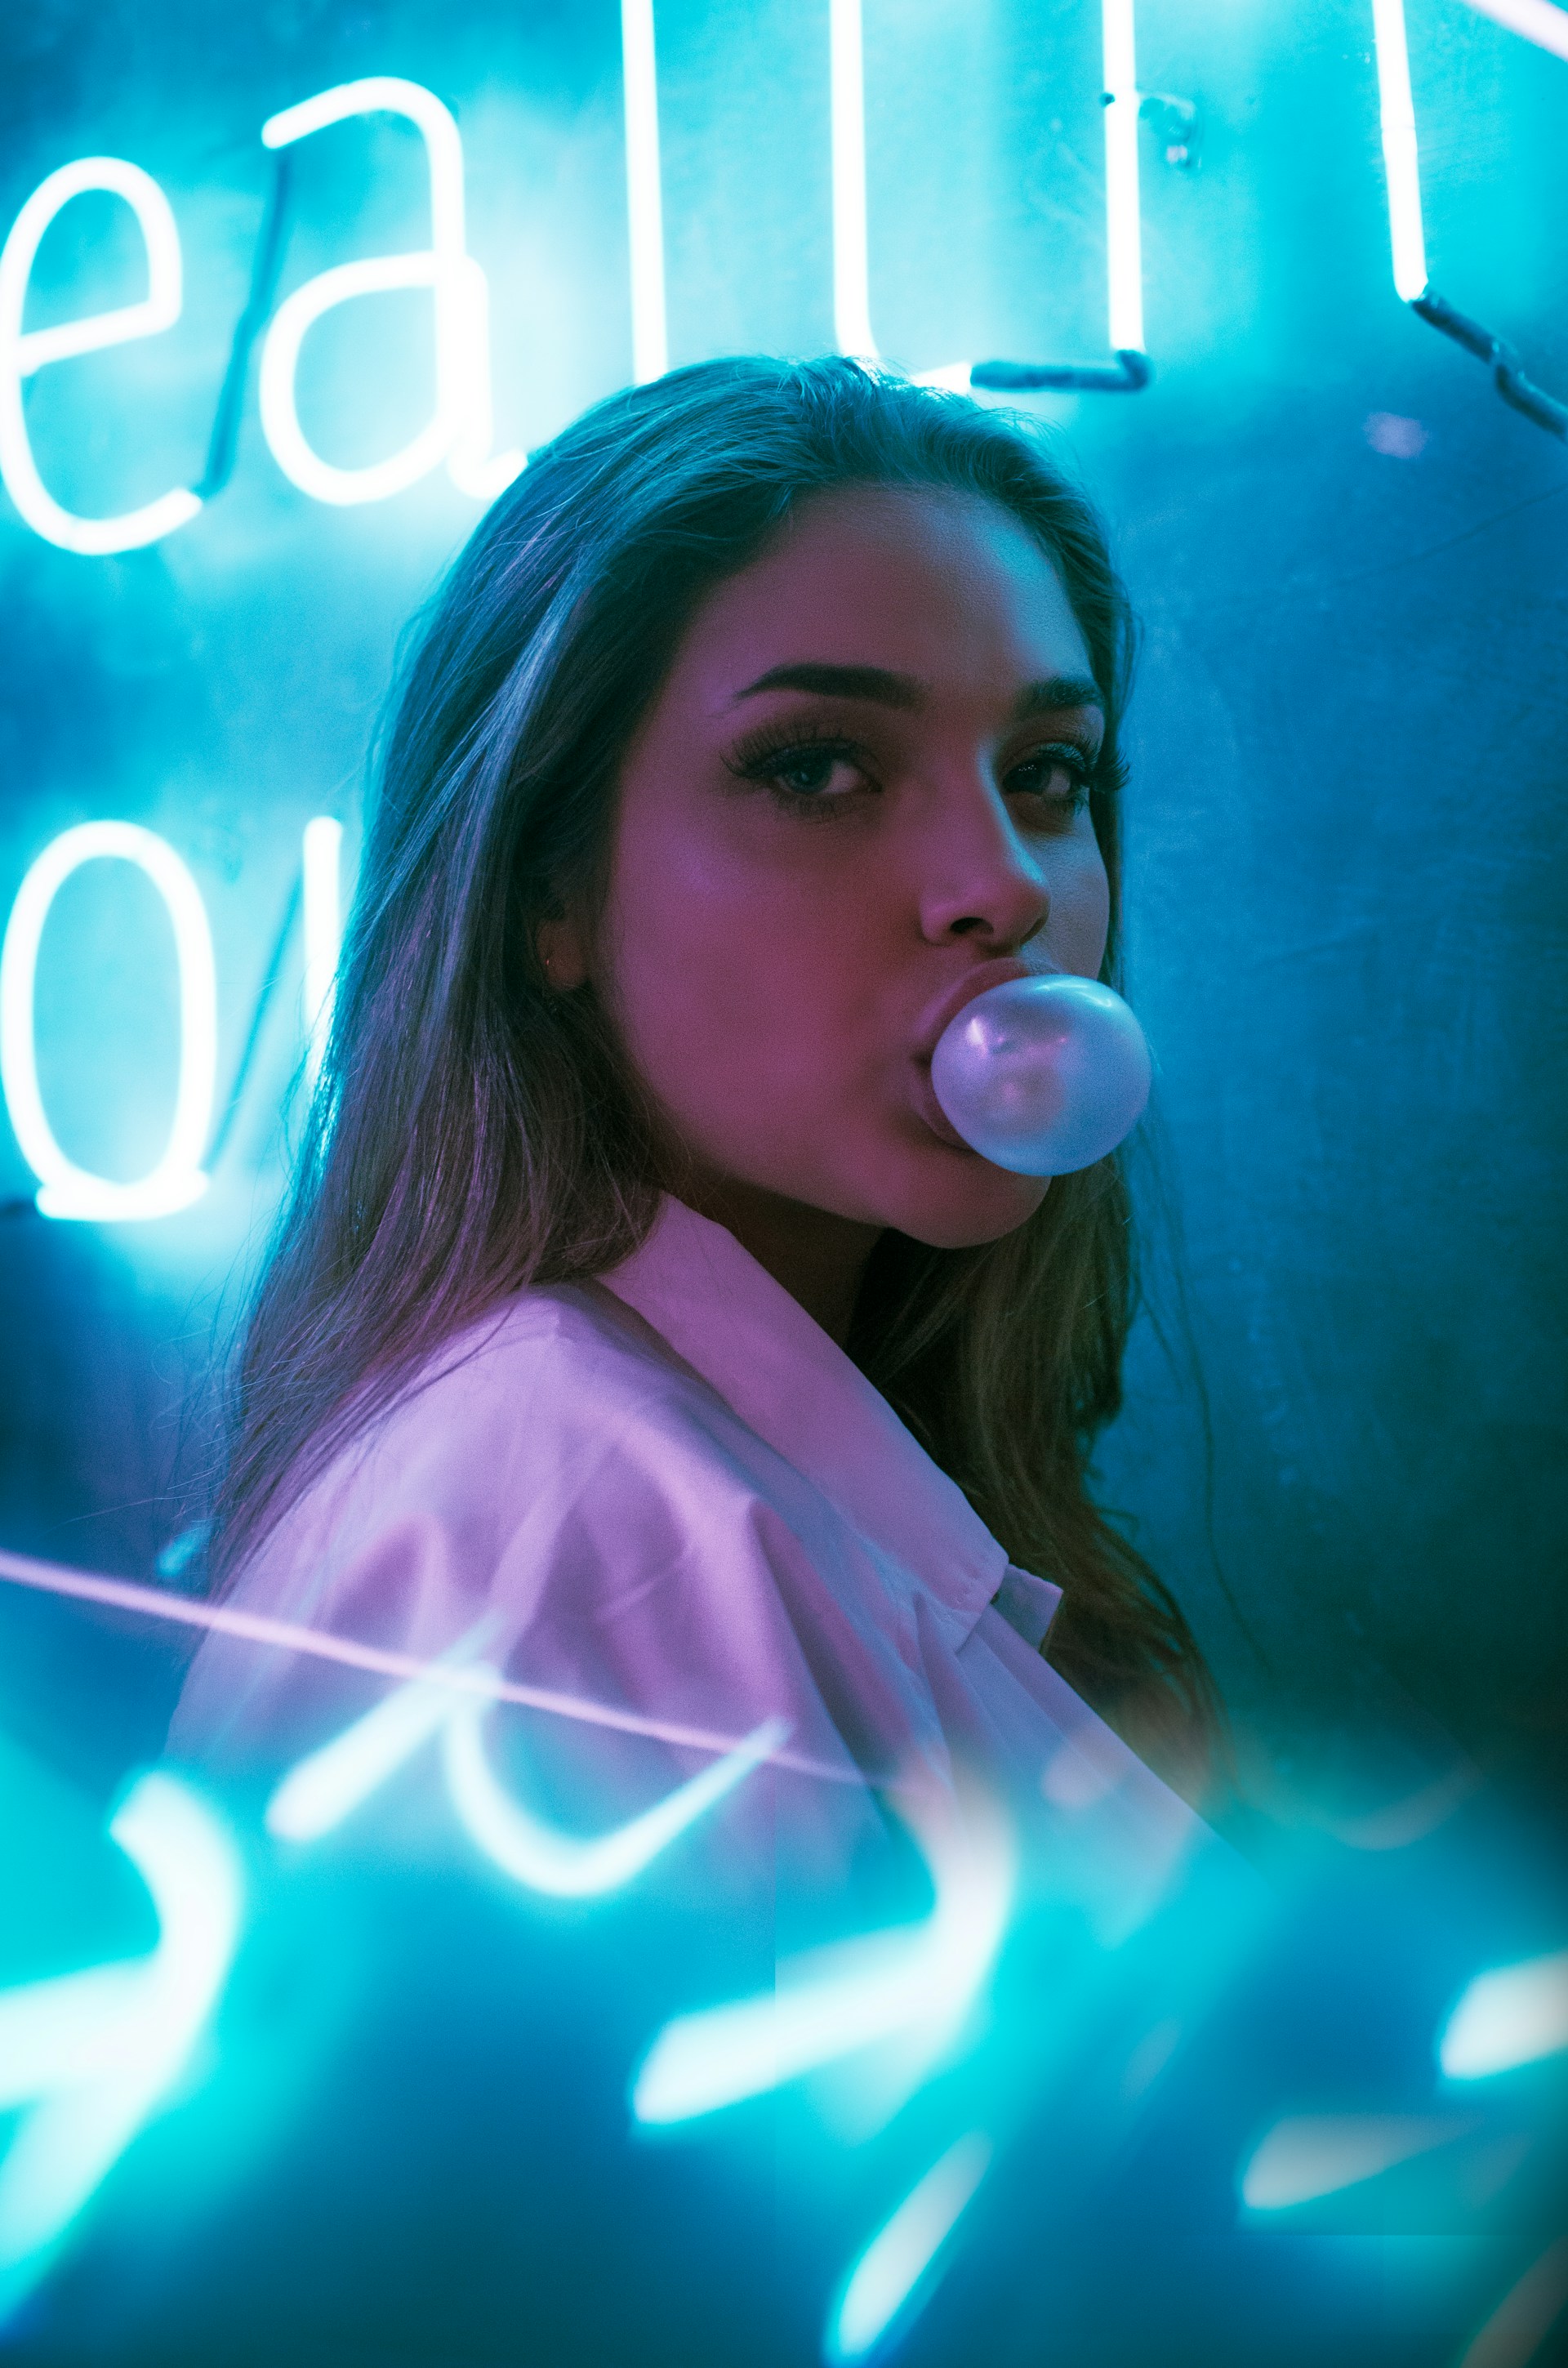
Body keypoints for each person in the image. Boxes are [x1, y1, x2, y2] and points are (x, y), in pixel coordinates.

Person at [171, 355, 1220, 1853]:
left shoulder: (728, 1478)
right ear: (547, 888)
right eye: (818, 769)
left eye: (1048, 773)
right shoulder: (547, 1544)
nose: (1003, 884)